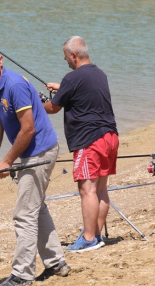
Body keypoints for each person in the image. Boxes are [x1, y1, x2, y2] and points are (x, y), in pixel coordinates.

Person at [0, 44, 70, 286]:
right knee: (36, 207)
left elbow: (28, 129)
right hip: (28, 153)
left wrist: (7, 162)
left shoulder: (14, 85)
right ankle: (56, 262)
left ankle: (22, 274)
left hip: (40, 151)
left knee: (24, 213)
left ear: (0, 61)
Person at [43, 36, 119, 253]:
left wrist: (37, 104)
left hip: (89, 140)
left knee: (87, 190)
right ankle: (95, 235)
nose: (65, 60)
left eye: (66, 56)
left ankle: (88, 238)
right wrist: (63, 88)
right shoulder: (99, 73)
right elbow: (84, 92)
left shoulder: (73, 78)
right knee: (101, 189)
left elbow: (53, 108)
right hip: (110, 137)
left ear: (73, 55)